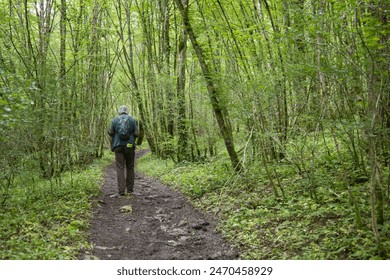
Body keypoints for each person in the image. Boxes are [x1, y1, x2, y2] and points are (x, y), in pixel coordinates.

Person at [108, 105, 139, 197]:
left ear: (119, 111)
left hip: (118, 146)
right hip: (129, 145)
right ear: (127, 111)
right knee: (130, 167)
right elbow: (137, 133)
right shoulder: (133, 120)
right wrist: (132, 137)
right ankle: (130, 190)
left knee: (120, 167)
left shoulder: (114, 120)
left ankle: (121, 191)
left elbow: (110, 132)